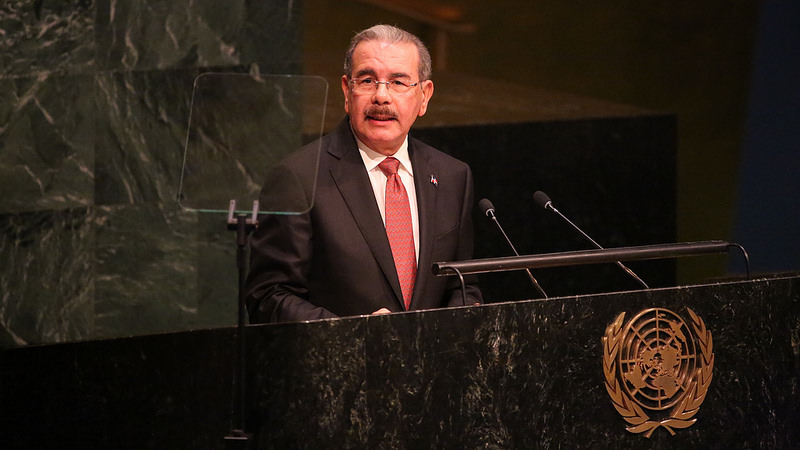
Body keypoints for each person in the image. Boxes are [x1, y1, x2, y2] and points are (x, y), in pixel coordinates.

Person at [245, 24, 482, 323]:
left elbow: (463, 284)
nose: (381, 97)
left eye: (398, 82)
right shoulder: (299, 177)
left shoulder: (452, 176)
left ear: (424, 96)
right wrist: (353, 334)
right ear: (347, 90)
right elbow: (267, 297)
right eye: (368, 80)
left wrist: (462, 318)